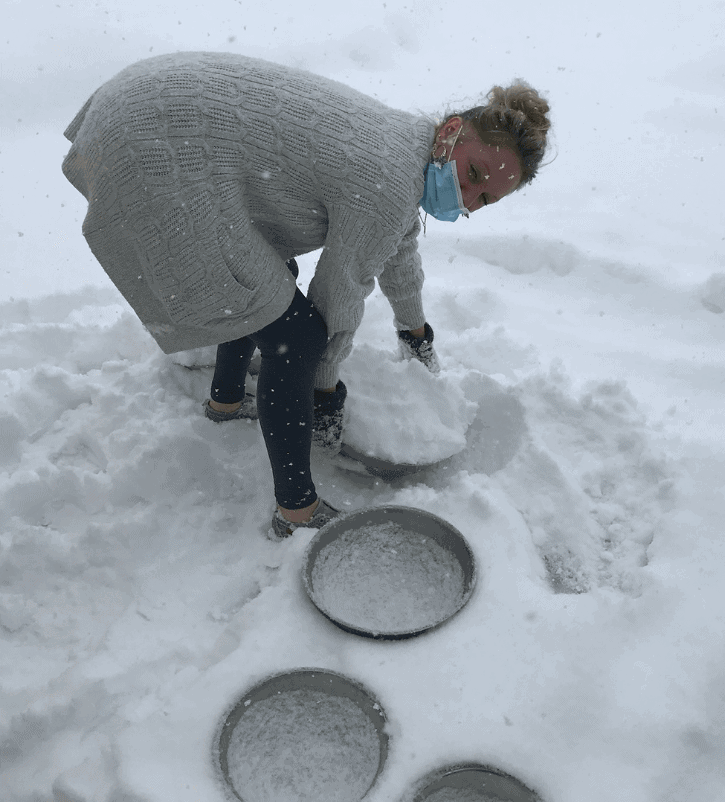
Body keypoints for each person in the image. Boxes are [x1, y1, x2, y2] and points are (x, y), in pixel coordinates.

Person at [61, 52, 550, 538]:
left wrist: (415, 328)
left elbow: (398, 252)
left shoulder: (409, 146)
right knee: (296, 337)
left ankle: (226, 401)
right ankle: (295, 509)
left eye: (483, 199)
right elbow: (340, 295)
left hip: (151, 104)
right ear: (452, 132)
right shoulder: (391, 178)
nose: (468, 196)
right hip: (155, 143)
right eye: (475, 175)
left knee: (265, 287)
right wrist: (323, 392)